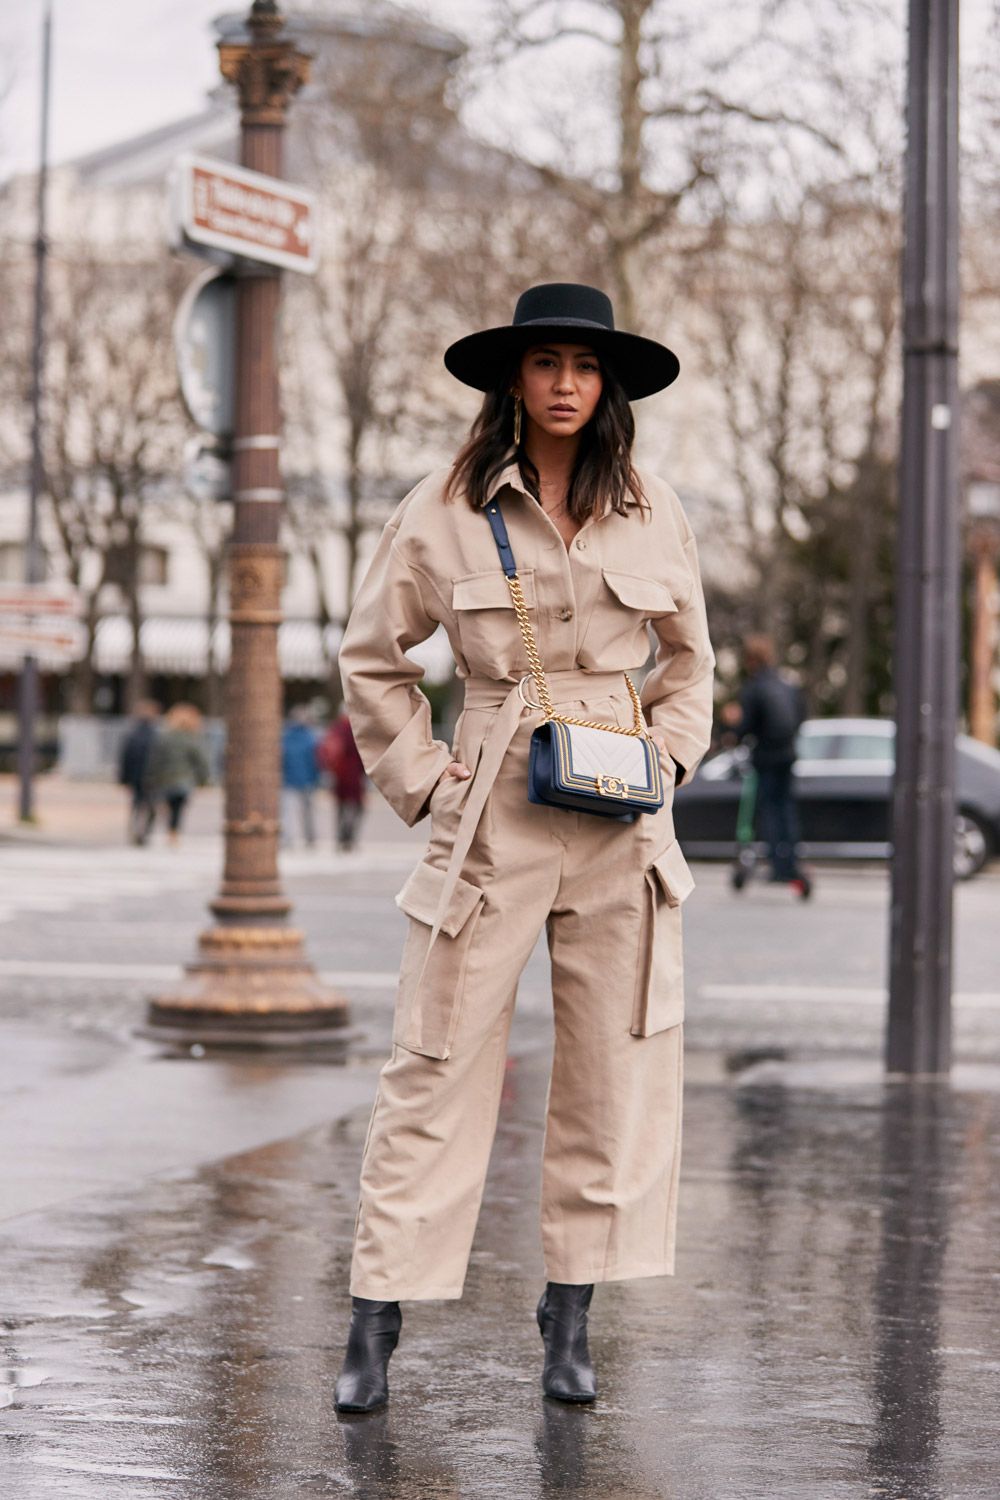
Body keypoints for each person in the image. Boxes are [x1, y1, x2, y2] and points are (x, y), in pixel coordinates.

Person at [332, 283, 715, 1413]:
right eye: (544, 362)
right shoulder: (442, 506)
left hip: (622, 818)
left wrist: (672, 765)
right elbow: (372, 658)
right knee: (436, 1064)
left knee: (613, 1071)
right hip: (492, 807)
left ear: (607, 387)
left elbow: (690, 668)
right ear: (513, 377)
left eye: (583, 367)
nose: (562, 383)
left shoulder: (653, 508)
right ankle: (376, 1316)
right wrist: (426, 774)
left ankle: (572, 1311)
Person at [720, 634, 811, 896]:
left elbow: (745, 726)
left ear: (750, 660)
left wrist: (731, 728)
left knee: (768, 809)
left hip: (766, 757)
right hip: (788, 755)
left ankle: (776, 865)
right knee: (786, 809)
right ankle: (790, 861)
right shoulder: (787, 684)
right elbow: (800, 715)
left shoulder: (754, 688)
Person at [146, 702, 210, 846]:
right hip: (183, 780)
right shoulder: (192, 738)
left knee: (170, 806)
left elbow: (155, 760)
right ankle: (174, 833)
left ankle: (171, 830)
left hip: (165, 779)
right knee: (178, 808)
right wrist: (204, 779)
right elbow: (201, 760)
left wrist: (151, 777)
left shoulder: (164, 737)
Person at [317, 710, 367, 852]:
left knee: (340, 809)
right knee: (357, 808)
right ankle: (348, 837)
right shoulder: (355, 731)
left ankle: (341, 838)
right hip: (354, 777)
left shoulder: (335, 729)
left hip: (338, 777)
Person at [117, 699, 160, 845]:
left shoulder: (132, 734)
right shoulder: (157, 735)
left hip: (136, 776)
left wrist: (123, 778)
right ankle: (144, 832)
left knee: (137, 804)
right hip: (152, 777)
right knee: (150, 806)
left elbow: (125, 758)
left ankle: (136, 829)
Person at [281, 705, 320, 848]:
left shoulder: (286, 737)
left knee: (288, 814)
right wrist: (316, 779)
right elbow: (315, 762)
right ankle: (310, 839)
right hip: (307, 781)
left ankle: (288, 840)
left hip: (289, 781)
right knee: (308, 813)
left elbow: (281, 759)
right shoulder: (310, 738)